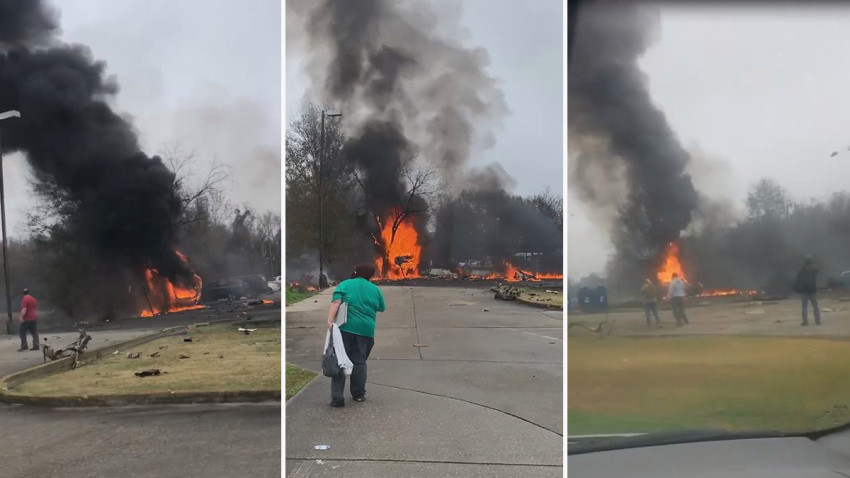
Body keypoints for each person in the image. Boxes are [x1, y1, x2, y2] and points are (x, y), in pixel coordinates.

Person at [327, 263, 386, 407]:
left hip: (345, 329)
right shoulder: (375, 289)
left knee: (339, 360)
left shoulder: (345, 284)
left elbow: (336, 302)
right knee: (359, 362)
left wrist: (329, 321)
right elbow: (381, 307)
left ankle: (337, 398)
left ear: (355, 272)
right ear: (370, 276)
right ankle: (359, 394)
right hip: (366, 330)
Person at [795, 255, 820, 326]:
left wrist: (797, 289)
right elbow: (817, 271)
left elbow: (798, 280)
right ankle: (817, 320)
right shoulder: (813, 270)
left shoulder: (802, 270)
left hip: (804, 291)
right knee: (815, 306)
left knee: (804, 307)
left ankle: (805, 322)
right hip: (812, 290)